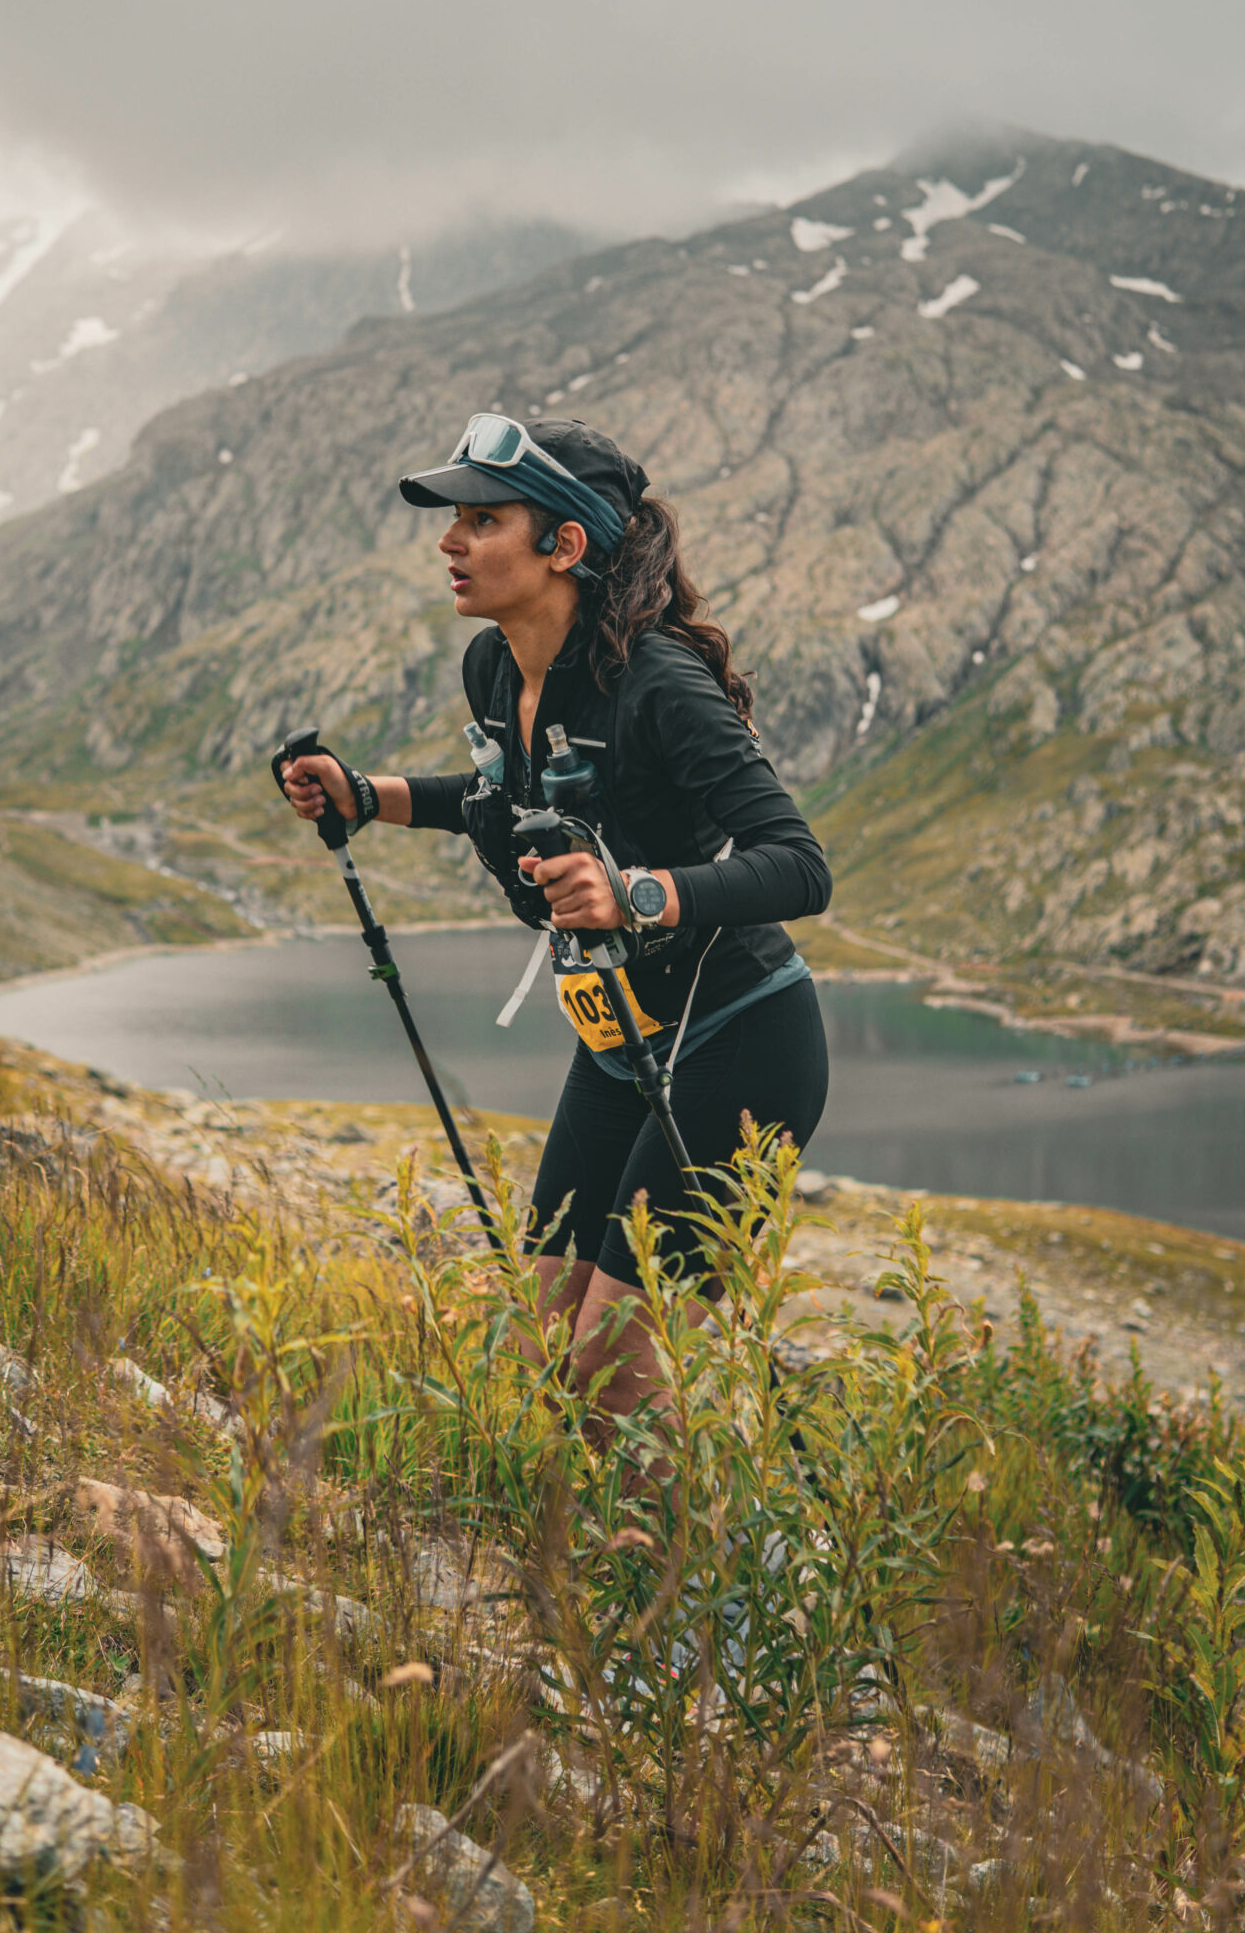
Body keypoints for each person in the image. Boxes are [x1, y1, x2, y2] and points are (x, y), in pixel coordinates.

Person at [276, 412, 831, 1438]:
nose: (449, 541)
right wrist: (365, 793)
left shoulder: (662, 683)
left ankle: (685, 1545)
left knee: (616, 1368)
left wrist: (636, 894)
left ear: (563, 544)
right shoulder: (494, 667)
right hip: (617, 1041)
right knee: (538, 1343)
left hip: (739, 1043)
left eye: (482, 520)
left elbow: (800, 866)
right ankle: (592, 1540)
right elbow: (498, 795)